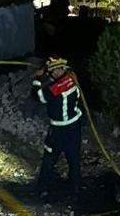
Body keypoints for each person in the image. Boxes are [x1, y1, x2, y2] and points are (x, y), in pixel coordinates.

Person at [33, 56, 84, 203]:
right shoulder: (72, 79)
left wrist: (37, 79)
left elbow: (39, 97)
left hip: (59, 130)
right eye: (51, 71)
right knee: (73, 159)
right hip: (75, 127)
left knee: (49, 159)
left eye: (56, 70)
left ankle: (41, 190)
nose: (53, 74)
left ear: (62, 69)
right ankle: (76, 190)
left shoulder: (55, 88)